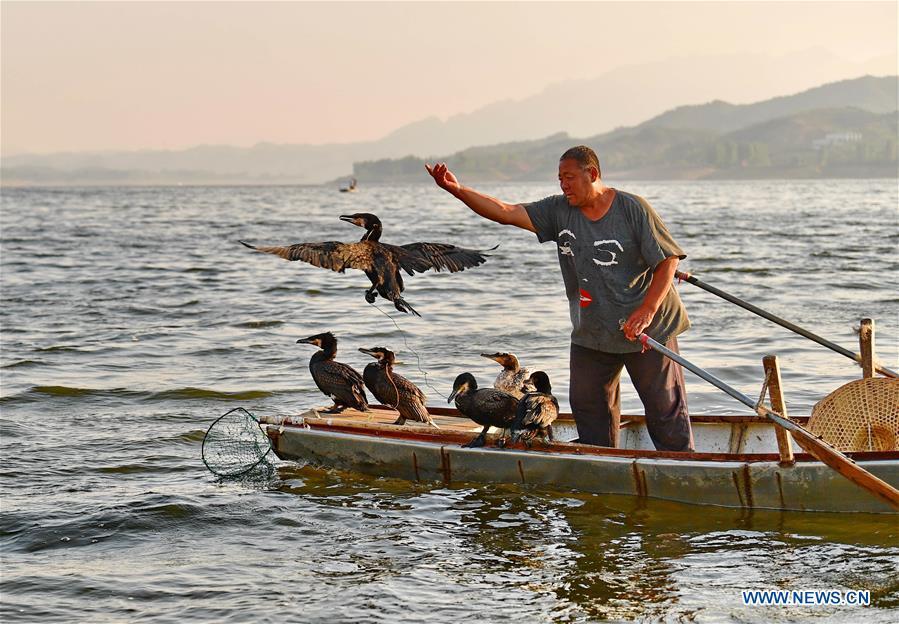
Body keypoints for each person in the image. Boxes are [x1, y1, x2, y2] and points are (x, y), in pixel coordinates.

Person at [425, 146, 693, 451]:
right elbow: (505, 212)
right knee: (588, 405)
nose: (563, 185)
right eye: (559, 179)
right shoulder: (559, 210)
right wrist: (457, 190)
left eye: (569, 177)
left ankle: (682, 465)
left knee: (664, 409)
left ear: (591, 174)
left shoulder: (633, 208)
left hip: (648, 328)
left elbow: (668, 260)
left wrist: (647, 310)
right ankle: (601, 462)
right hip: (593, 331)